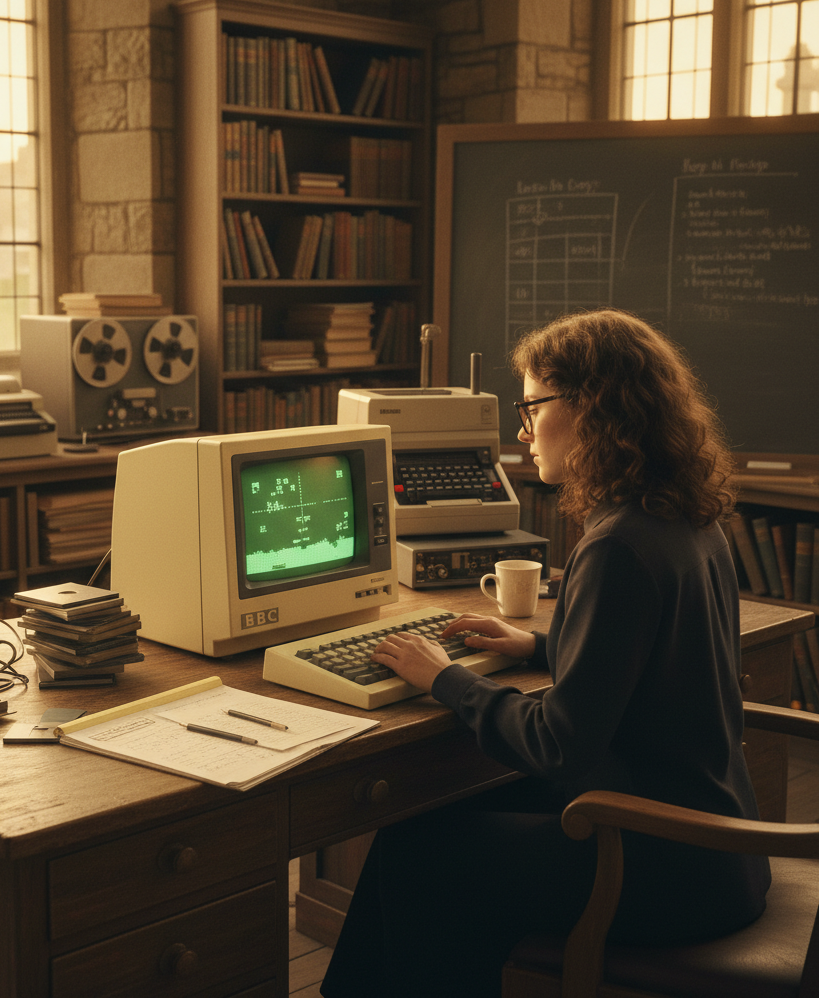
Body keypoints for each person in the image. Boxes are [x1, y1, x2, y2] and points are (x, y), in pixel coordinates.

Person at [320, 309, 770, 998]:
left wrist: (446, 679)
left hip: (658, 865)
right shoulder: (684, 516)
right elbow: (653, 664)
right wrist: (538, 643)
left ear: (592, 407)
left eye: (531, 406)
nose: (522, 431)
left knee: (417, 856)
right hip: (719, 847)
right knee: (427, 824)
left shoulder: (617, 542)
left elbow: (561, 745)